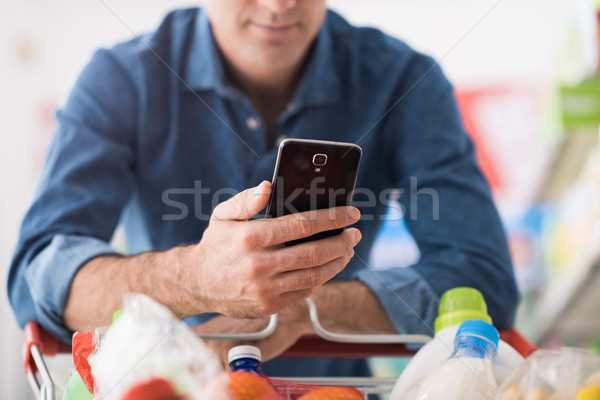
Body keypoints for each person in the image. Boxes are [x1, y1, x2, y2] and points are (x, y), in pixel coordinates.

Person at [8, 0, 518, 381]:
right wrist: (196, 279)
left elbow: (483, 277)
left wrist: (298, 311)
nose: (279, 7)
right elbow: (39, 271)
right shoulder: (120, 79)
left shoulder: (406, 79)